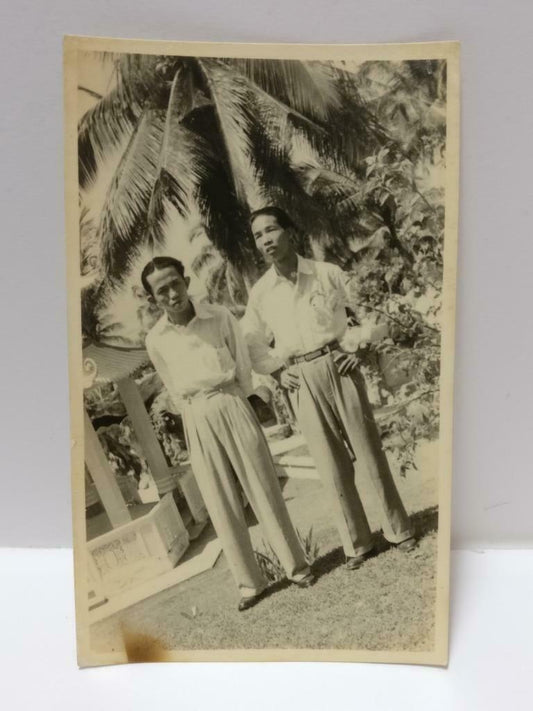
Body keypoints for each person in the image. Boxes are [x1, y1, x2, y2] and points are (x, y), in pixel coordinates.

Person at [242, 207, 416, 571]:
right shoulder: (261, 294)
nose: (266, 240)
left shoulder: (326, 273)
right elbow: (251, 344)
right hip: (300, 377)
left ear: (290, 231)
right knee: (330, 465)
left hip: (339, 363)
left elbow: (371, 309)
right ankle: (358, 544)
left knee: (369, 452)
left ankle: (398, 529)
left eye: (272, 230)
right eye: (258, 236)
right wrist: (277, 371)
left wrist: (356, 344)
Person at [142, 256, 314, 611]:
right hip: (194, 413)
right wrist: (193, 410)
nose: (172, 294)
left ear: (186, 281)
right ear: (154, 299)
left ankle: (296, 567)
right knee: (219, 501)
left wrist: (239, 399)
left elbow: (243, 366)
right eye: (162, 291)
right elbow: (173, 386)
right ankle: (250, 584)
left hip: (232, 401)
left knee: (263, 485)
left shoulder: (219, 316)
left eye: (175, 284)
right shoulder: (155, 339)